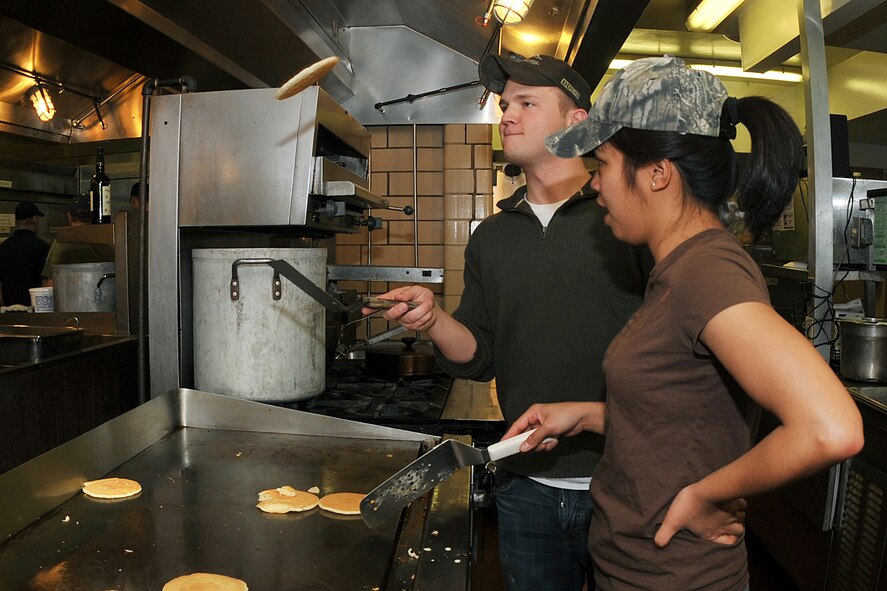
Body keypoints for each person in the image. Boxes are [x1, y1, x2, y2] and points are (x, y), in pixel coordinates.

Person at [503, 56, 865, 591]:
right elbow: (688, 413)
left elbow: (830, 428)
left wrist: (705, 495)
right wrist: (587, 415)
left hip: (671, 578)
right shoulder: (679, 269)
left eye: (602, 164)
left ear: (657, 173)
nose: (596, 185)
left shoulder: (706, 272)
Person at [374, 54, 649, 591]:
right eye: (505, 105)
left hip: (627, 480)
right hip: (526, 483)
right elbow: (479, 356)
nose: (508, 116)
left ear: (577, 122)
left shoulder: (625, 217)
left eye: (527, 103)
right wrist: (433, 319)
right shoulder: (492, 237)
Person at [42, 194, 115, 286]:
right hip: (106, 296)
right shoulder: (108, 239)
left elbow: (51, 282)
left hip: (73, 297)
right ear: (93, 216)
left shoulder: (64, 240)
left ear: (69, 216)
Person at [0, 201, 50, 306]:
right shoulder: (42, 247)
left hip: (7, 310)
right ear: (35, 219)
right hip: (33, 309)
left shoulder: (4, 247)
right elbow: (45, 283)